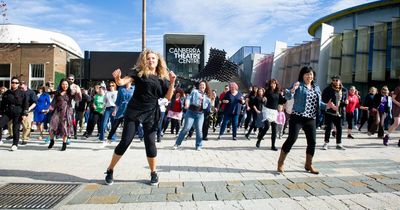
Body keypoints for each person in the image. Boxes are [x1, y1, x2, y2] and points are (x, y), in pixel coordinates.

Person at [104, 49, 176, 186]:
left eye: (153, 58)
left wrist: (172, 82)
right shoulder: (139, 73)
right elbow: (121, 82)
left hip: (151, 113)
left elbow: (168, 97)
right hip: (134, 111)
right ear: (145, 60)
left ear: (158, 61)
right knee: (125, 142)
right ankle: (110, 169)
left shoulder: (162, 78)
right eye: (148, 58)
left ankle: (153, 172)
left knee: (150, 144)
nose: (151, 60)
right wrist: (117, 79)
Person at [277, 66, 330, 174]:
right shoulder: (298, 85)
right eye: (307, 74)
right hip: (297, 117)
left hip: (311, 118)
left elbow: (318, 103)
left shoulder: (316, 87)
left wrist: (328, 106)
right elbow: (287, 97)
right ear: (302, 75)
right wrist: (292, 90)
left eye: (311, 74)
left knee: (312, 142)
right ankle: (281, 163)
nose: (309, 76)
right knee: (292, 139)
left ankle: (308, 164)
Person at [173, 80, 212, 150]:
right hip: (191, 112)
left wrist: (211, 109)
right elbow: (188, 98)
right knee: (186, 128)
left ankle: (198, 145)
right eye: (200, 85)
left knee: (199, 130)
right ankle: (177, 143)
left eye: (203, 85)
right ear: (199, 86)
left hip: (200, 114)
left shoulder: (207, 96)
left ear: (206, 87)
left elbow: (208, 106)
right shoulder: (195, 91)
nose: (201, 86)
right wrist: (187, 103)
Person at [47, 78, 82, 151]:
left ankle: (64, 144)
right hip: (57, 111)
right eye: (63, 84)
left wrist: (78, 91)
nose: (64, 85)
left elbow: (78, 99)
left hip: (67, 112)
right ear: (61, 85)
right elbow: (53, 100)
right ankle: (52, 140)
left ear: (68, 85)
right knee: (51, 127)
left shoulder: (71, 93)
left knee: (64, 128)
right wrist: (49, 109)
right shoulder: (57, 92)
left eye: (66, 84)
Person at [0, 77, 29, 151]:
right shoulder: (7, 93)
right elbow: (2, 104)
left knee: (15, 128)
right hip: (8, 111)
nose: (14, 84)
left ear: (18, 84)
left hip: (18, 112)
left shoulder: (22, 93)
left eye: (16, 83)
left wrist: (24, 114)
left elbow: (25, 104)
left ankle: (15, 144)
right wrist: (1, 113)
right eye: (12, 82)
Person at [256, 79, 285, 150]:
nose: (273, 85)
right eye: (272, 83)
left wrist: (285, 96)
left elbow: (282, 101)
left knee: (274, 130)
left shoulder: (278, 93)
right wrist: (263, 99)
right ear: (270, 84)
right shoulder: (267, 92)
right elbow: (263, 99)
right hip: (267, 110)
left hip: (274, 112)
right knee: (267, 126)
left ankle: (273, 145)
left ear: (276, 85)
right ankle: (259, 139)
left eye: (274, 83)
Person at [322, 75, 348, 150]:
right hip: (330, 112)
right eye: (334, 80)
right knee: (328, 128)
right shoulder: (328, 89)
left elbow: (344, 101)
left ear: (340, 81)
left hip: (339, 112)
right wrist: (329, 104)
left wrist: (346, 102)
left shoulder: (344, 90)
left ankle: (339, 143)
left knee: (339, 128)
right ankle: (326, 143)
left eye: (337, 80)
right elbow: (323, 99)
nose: (335, 82)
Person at [106, 78, 134, 143]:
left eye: (129, 80)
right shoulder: (121, 89)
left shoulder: (134, 89)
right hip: (122, 109)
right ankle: (108, 139)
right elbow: (118, 101)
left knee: (128, 127)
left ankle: (126, 141)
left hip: (130, 109)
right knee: (115, 125)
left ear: (131, 81)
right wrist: (115, 110)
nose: (127, 81)